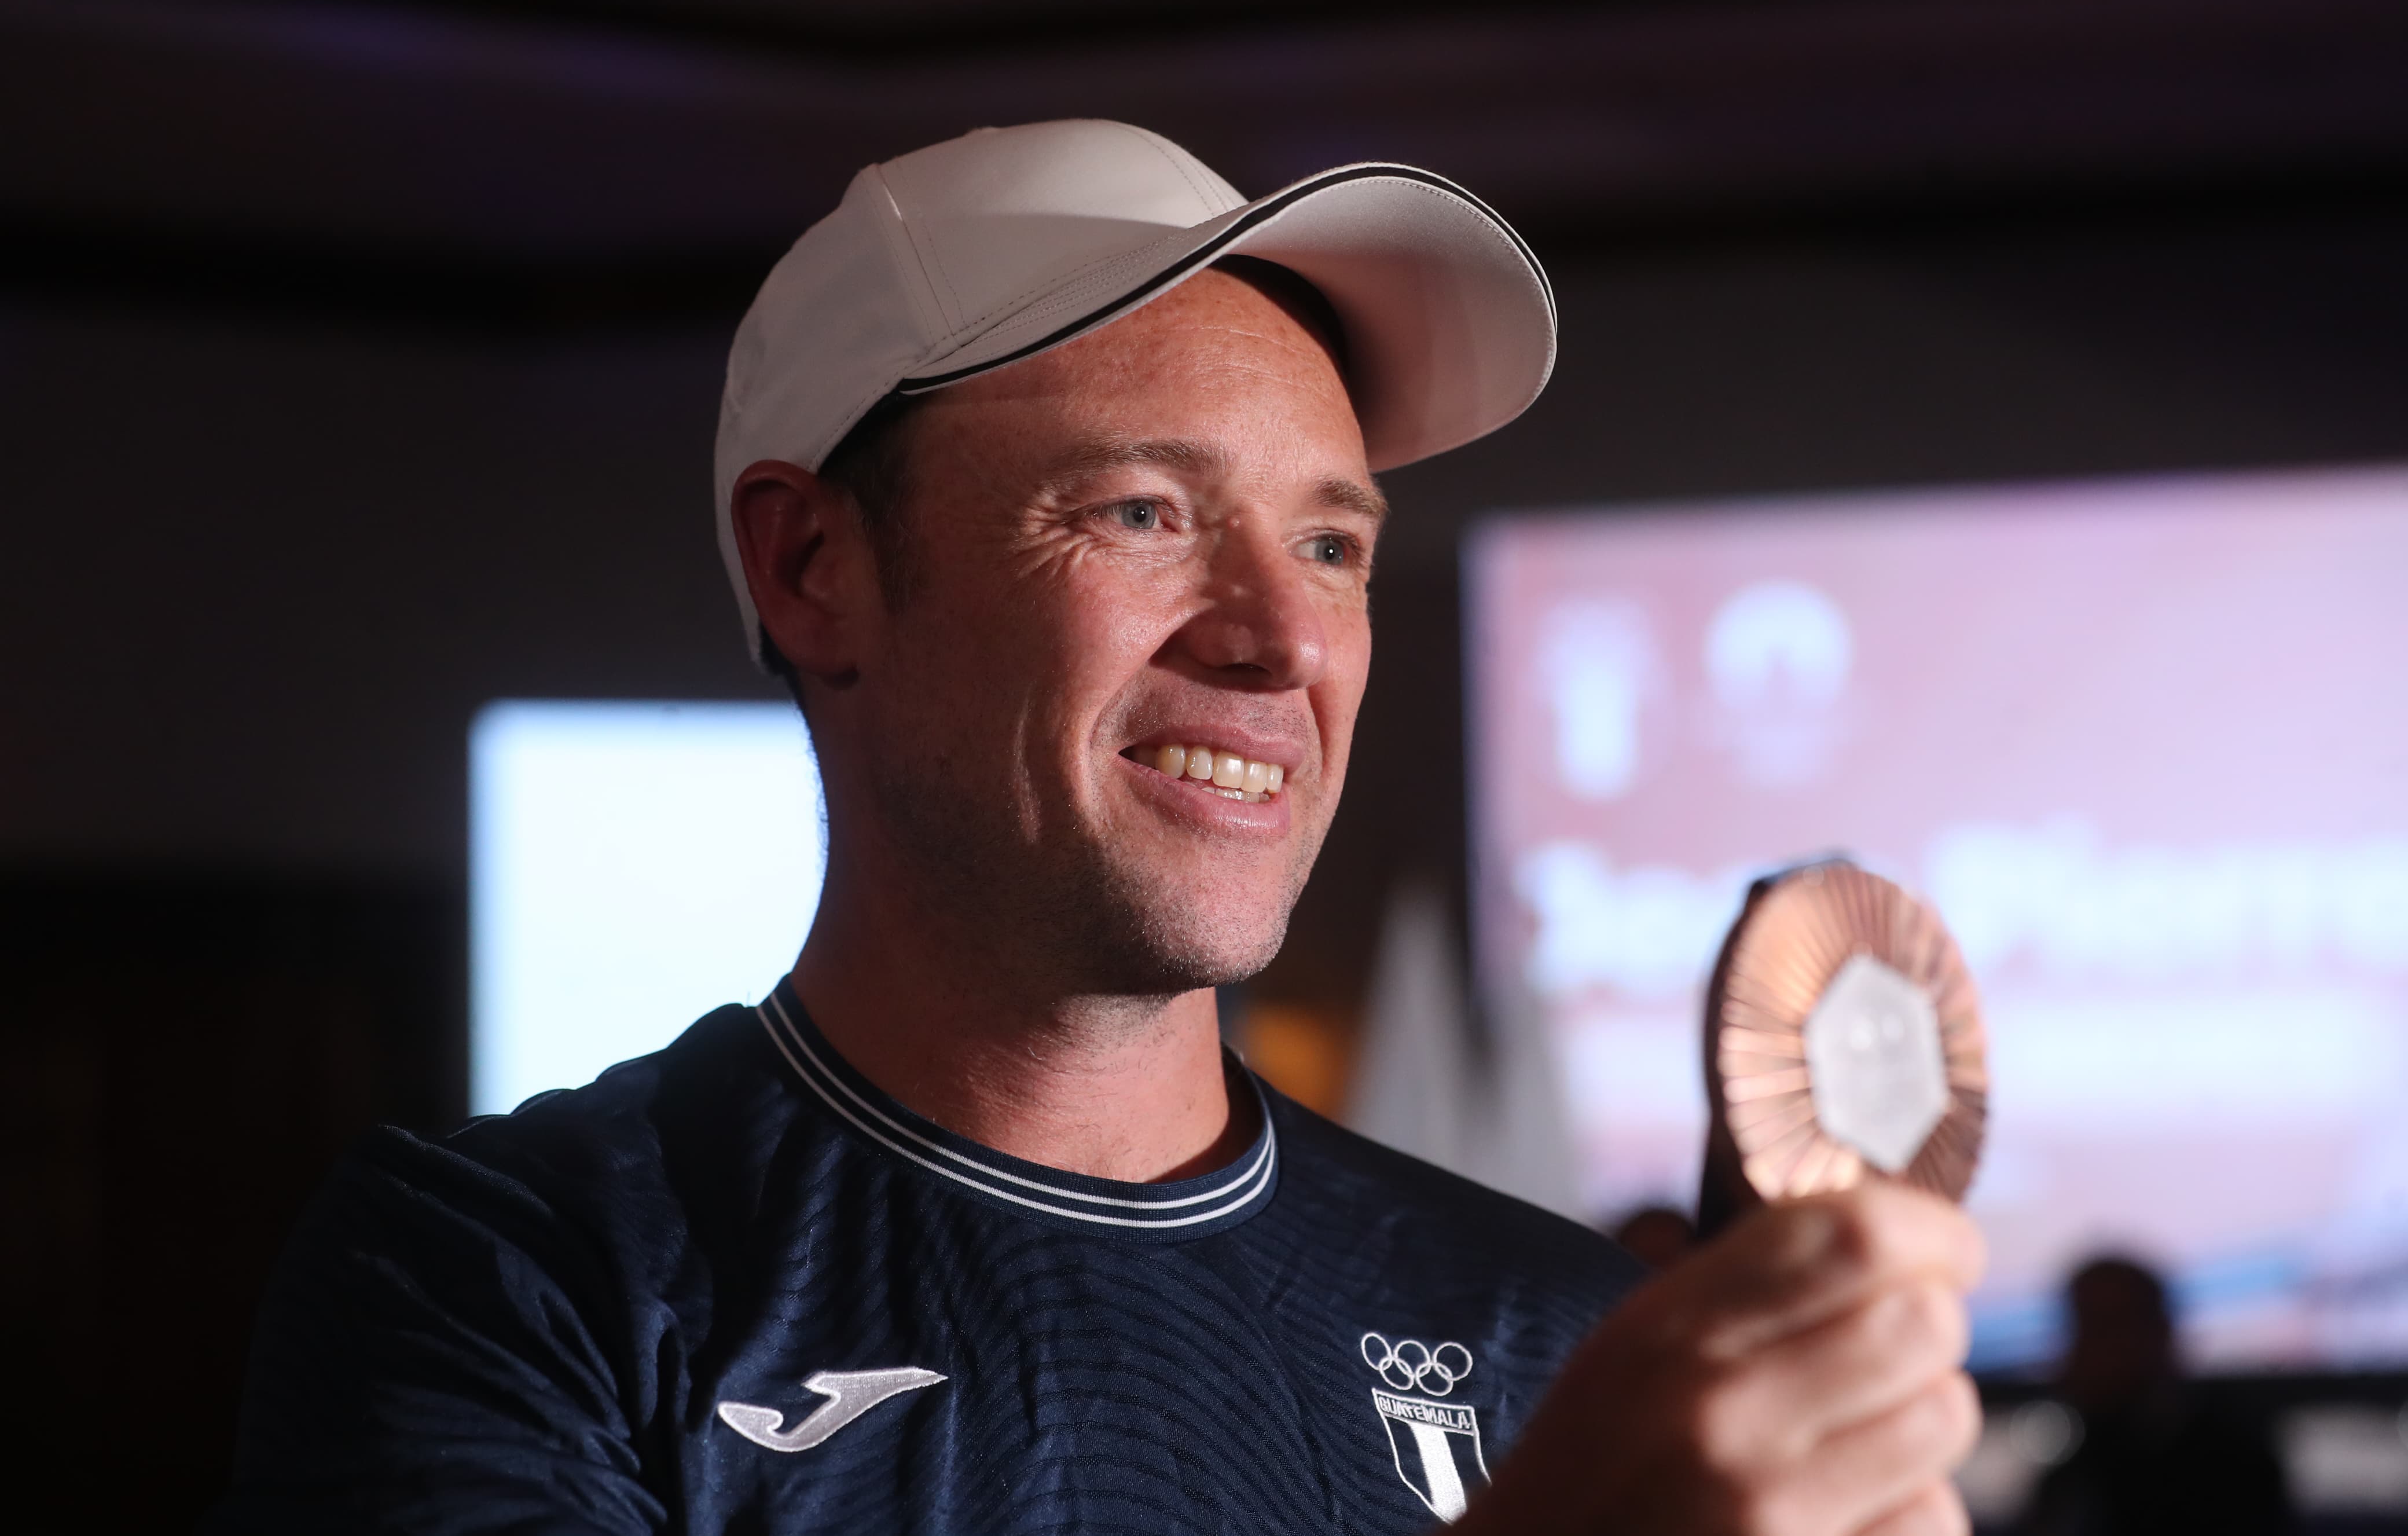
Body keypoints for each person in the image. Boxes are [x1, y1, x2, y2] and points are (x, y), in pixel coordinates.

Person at [209, 120, 1983, 1535]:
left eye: (1331, 545)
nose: (1280, 639)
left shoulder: (1549, 1333)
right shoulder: (512, 1283)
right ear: (816, 568)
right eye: (1141, 512)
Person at [2014, 1256, 2290, 1536]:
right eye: (2076, 1330)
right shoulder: (2070, 1477)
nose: (2076, 1352)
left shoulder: (2236, 1473)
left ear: (2159, 1334)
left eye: (2103, 1329)